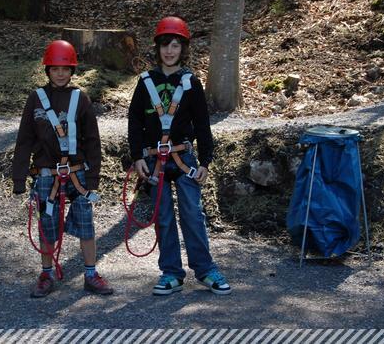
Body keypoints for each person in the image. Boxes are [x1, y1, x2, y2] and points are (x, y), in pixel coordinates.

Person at [127, 16, 231, 296]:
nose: (169, 51)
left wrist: (206, 160)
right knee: (163, 217)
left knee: (192, 213)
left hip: (183, 158)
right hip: (153, 160)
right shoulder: (146, 82)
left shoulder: (191, 83)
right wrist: (137, 156)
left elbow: (202, 123)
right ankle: (171, 272)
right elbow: (135, 121)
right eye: (165, 45)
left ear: (183, 49)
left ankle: (205, 269)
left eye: (175, 45)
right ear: (157, 48)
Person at [12, 40, 113, 298]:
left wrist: (93, 179)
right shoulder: (36, 99)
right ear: (47, 70)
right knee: (47, 224)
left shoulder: (81, 99)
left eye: (65, 69)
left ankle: (91, 274)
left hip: (77, 173)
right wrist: (19, 177)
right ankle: (46, 274)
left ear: (72, 71)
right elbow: (24, 140)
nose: (60, 74)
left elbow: (92, 141)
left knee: (86, 223)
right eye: (55, 69)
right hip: (47, 173)